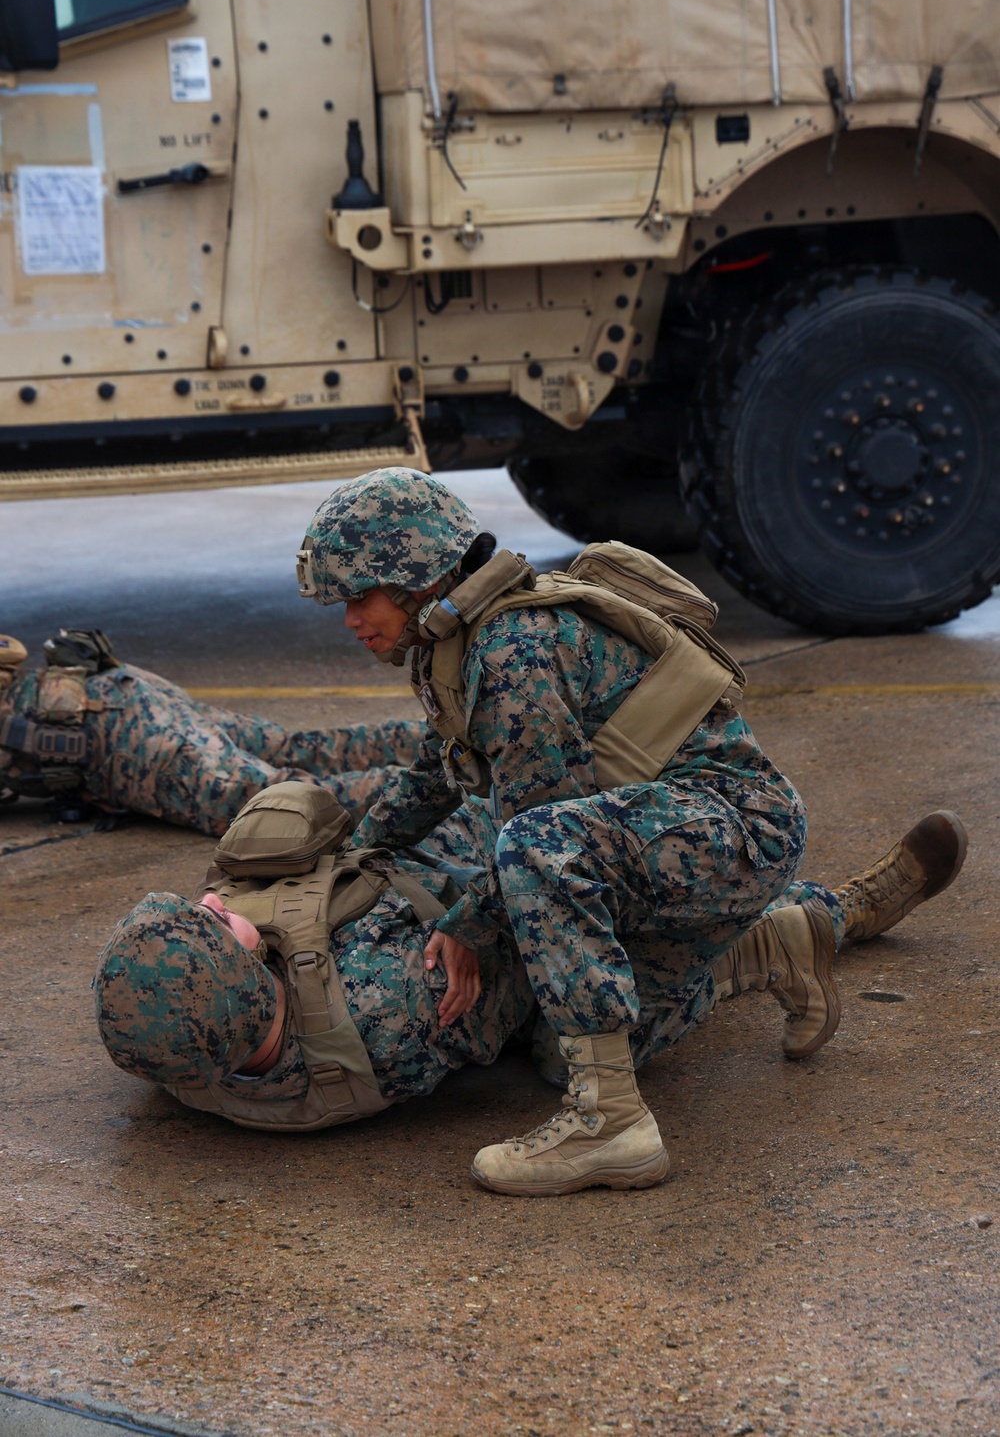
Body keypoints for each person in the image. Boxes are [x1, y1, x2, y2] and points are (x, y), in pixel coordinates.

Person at [293, 468, 968, 1195]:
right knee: (563, 1048)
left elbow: (537, 825)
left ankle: (612, 1125)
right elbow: (434, 774)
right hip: (662, 832)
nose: (350, 618)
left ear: (413, 576)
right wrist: (352, 853)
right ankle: (784, 941)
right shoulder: (454, 649)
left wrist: (465, 928)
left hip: (735, 822)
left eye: (357, 596)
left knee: (530, 848)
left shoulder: (513, 649)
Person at [93, 780, 966, 1141]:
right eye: (213, 930)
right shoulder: (393, 1005)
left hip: (417, 895)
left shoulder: (188, 1051)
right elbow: (518, 920)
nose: (213, 911)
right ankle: (812, 925)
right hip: (497, 896)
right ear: (249, 984)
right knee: (583, 1034)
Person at [0, 628, 423, 836]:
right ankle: (438, 738)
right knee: (296, 748)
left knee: (273, 806)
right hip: (123, 688)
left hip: (127, 741)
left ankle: (439, 788)